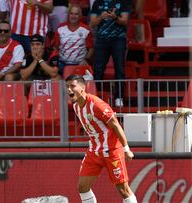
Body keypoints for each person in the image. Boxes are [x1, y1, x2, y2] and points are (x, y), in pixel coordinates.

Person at [65, 74, 137, 203]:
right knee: (82, 187)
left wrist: (126, 148)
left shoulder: (96, 104)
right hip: (94, 151)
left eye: (72, 86)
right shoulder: (76, 106)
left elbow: (115, 124)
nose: (69, 89)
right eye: (67, 86)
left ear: (82, 88)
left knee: (123, 190)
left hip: (111, 150)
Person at [90, 0, 130, 107]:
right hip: (101, 40)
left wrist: (115, 17)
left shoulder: (122, 2)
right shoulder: (97, 3)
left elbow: (125, 21)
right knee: (98, 69)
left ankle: (119, 97)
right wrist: (101, 17)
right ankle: (97, 96)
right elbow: (92, 23)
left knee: (119, 68)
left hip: (118, 39)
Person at [54, 4, 93, 75]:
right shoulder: (60, 28)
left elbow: (91, 49)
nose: (73, 16)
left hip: (79, 64)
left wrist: (86, 59)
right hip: (62, 64)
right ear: (68, 15)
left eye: (76, 14)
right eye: (71, 13)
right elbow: (55, 47)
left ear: (80, 16)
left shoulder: (86, 30)